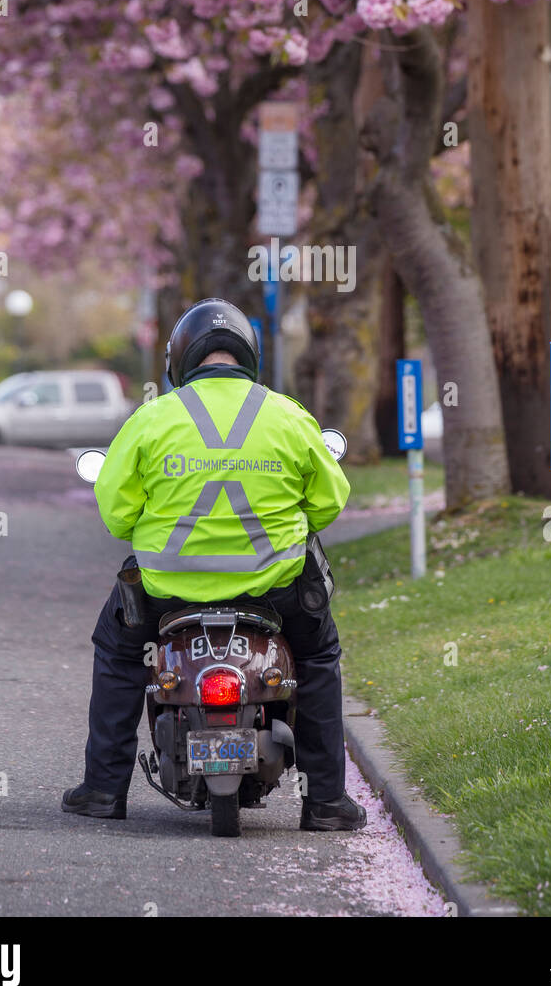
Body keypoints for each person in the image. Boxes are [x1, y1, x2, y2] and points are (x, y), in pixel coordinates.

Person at [62, 297, 366, 832]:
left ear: (179, 360)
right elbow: (328, 503)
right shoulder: (288, 415)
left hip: (167, 593)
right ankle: (325, 804)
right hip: (274, 592)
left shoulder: (152, 418)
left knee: (117, 653)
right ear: (250, 357)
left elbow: (116, 515)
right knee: (318, 658)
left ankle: (103, 792)